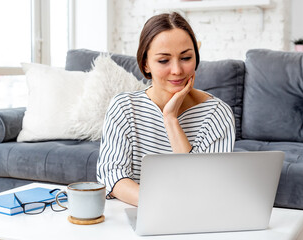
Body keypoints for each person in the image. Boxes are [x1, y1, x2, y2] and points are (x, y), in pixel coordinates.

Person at [97, 12, 235, 206]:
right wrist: (160, 204)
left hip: (197, 216)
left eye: (186, 57)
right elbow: (111, 174)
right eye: (164, 61)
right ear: (146, 64)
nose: (177, 70)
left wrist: (170, 119)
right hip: (141, 212)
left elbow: (206, 186)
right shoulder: (124, 107)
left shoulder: (217, 114)